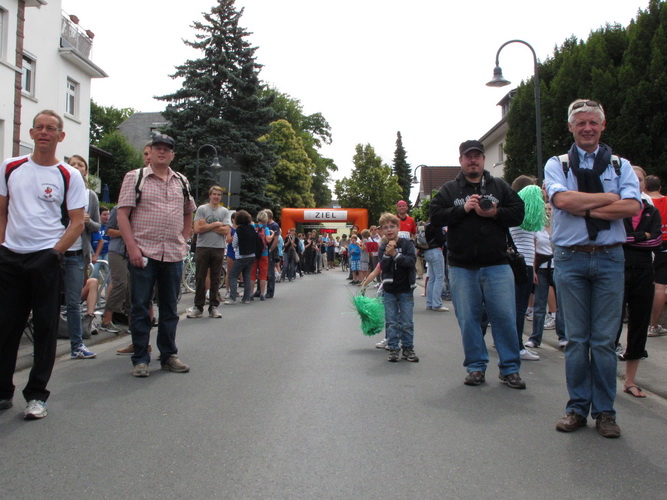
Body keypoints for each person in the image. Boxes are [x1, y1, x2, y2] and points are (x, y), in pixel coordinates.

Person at [545, 99, 641, 438]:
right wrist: (610, 200)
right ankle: (576, 408)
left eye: (593, 122)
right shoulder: (558, 164)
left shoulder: (619, 165)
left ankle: (605, 413)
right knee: (576, 340)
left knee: (602, 341)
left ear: (603, 126)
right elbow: (562, 201)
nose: (587, 128)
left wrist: (583, 206)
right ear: (571, 127)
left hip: (610, 257)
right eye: (581, 123)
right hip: (570, 258)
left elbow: (632, 207)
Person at [0, 110, 87, 420]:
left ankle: (37, 395)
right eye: (39, 127)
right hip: (10, 258)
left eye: (51, 128)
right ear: (32, 133)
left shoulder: (69, 175)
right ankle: (3, 391)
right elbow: (2, 212)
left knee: (46, 328)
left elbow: (77, 223)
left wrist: (53, 254)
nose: (44, 132)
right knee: (6, 328)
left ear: (61, 136)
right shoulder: (10, 167)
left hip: (47, 260)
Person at [430, 139, 526, 390]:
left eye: (477, 156)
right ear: (461, 160)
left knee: (504, 318)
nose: (473, 160)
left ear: (483, 160)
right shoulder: (450, 189)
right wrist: (463, 210)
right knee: (469, 319)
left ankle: (510, 369)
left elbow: (519, 212)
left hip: (497, 264)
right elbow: (434, 216)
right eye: (468, 156)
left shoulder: (499, 186)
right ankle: (475, 367)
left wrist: (495, 213)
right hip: (462, 267)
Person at [117, 134, 196, 378]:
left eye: (166, 149)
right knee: (140, 307)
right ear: (150, 153)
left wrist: (183, 240)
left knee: (170, 308)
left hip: (172, 253)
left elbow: (188, 212)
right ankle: (141, 358)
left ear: (172, 154)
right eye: (157, 148)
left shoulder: (181, 181)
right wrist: (132, 248)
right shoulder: (135, 177)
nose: (162, 152)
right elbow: (122, 215)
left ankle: (168, 355)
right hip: (144, 253)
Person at [616, 166, 662, 398]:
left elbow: (656, 241)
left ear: (645, 183)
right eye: (631, 179)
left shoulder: (651, 210)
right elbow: (613, 237)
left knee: (639, 324)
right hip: (617, 269)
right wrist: (642, 236)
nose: (636, 183)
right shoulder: (617, 208)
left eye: (640, 179)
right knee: (612, 324)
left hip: (644, 270)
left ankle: (630, 381)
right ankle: (605, 378)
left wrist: (630, 239)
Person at [65, 155, 101, 359]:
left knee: (73, 302)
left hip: (78, 253)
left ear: (86, 172)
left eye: (80, 165)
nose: (76, 167)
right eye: (72, 164)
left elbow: (98, 226)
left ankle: (77, 345)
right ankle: (43, 346)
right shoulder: (60, 189)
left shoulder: (90, 196)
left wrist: (87, 222)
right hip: (55, 252)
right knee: (48, 300)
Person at [377, 212, 418, 362]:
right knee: (391, 321)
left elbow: (410, 262)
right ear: (382, 231)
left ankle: (408, 348)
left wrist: (395, 253)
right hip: (390, 290)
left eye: (392, 226)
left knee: (406, 322)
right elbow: (383, 266)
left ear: (398, 228)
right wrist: (388, 253)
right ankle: (393, 348)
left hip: (406, 288)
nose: (389, 230)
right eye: (385, 227)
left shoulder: (407, 244)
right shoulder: (383, 247)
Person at [187, 186, 230, 319]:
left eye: (218, 195)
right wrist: (216, 224)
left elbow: (226, 231)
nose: (216, 197)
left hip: (218, 247)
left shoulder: (224, 211)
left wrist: (207, 226)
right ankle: (198, 307)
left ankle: (213, 307)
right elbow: (197, 229)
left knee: (215, 278)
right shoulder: (202, 209)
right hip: (203, 246)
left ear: (221, 197)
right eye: (214, 194)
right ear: (210, 195)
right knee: (200, 277)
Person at [645, 175, 667, 336]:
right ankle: (653, 326)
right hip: (664, 246)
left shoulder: (643, 202)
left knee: (642, 284)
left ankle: (637, 321)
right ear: (660, 187)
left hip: (646, 245)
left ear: (645, 188)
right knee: (660, 286)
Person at [224, 210, 256, 305]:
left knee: (233, 275)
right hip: (251, 255)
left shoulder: (239, 230)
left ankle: (232, 297)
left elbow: (234, 244)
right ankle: (246, 298)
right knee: (247, 276)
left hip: (241, 256)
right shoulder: (252, 228)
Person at [423, 221, 449, 312]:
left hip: (427, 251)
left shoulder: (428, 226)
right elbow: (440, 239)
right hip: (436, 251)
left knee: (432, 278)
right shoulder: (437, 225)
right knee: (439, 277)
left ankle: (429, 303)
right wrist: (446, 233)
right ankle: (437, 304)